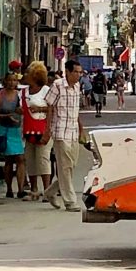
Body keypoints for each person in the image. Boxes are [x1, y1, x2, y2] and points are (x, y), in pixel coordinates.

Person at [42, 59, 84, 211]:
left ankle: (50, 192)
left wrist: (80, 127)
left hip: (73, 132)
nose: (78, 75)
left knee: (70, 167)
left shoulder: (77, 86)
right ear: (67, 71)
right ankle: (70, 201)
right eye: (76, 72)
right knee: (65, 167)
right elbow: (50, 107)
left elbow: (76, 110)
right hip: (60, 131)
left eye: (80, 72)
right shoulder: (58, 86)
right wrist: (47, 131)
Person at [0, 71, 25, 198]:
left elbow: (24, 110)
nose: (12, 83)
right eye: (9, 80)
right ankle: (9, 189)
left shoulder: (19, 95)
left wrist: (20, 111)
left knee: (21, 159)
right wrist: (6, 116)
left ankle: (21, 189)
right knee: (9, 160)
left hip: (17, 130)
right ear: (5, 81)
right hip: (5, 130)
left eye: (14, 80)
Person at [20, 63, 52, 201]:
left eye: (28, 73)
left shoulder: (46, 91)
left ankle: (47, 191)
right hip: (28, 130)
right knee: (31, 160)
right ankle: (34, 189)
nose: (25, 76)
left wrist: (39, 110)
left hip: (43, 129)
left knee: (43, 160)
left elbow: (53, 109)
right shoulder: (24, 92)